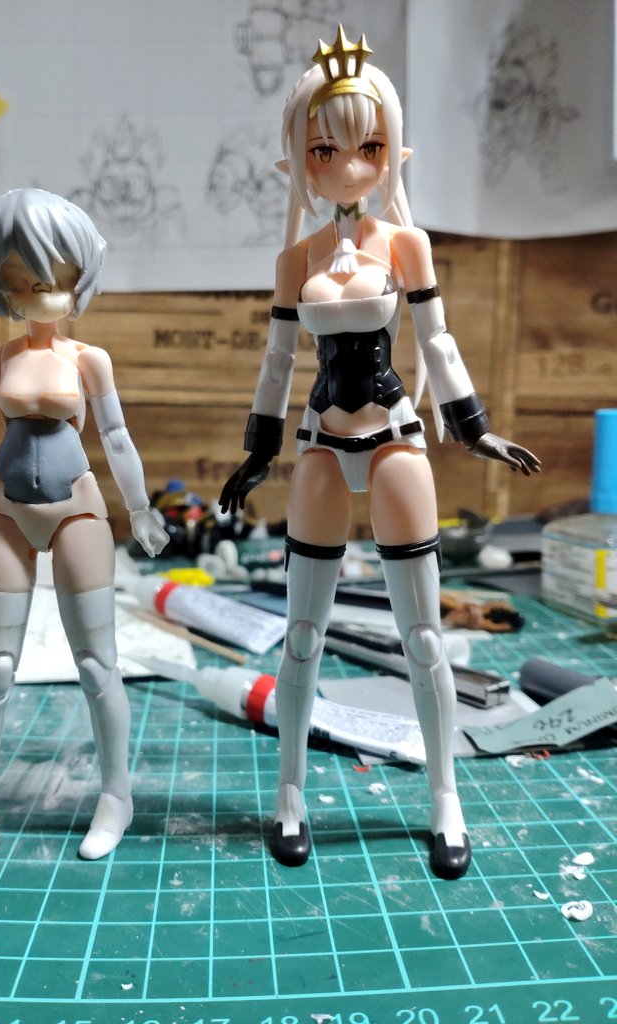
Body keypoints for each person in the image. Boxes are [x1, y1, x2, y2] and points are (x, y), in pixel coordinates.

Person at [220, 27, 540, 879]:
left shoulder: (406, 245)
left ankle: (444, 797)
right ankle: (290, 794)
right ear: (301, 157)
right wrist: (256, 451)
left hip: (395, 435)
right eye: (325, 149)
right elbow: (277, 363)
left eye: (369, 147)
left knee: (424, 636)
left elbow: (438, 344)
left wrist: (473, 427)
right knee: (302, 635)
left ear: (391, 150)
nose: (349, 166)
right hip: (322, 444)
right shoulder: (296, 259)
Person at [0, 188, 168, 859]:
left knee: (97, 666)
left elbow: (116, 438)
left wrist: (140, 509)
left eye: (53, 275)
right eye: (18, 278)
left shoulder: (88, 360)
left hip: (77, 511)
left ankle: (116, 795)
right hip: (4, 513)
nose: (37, 291)